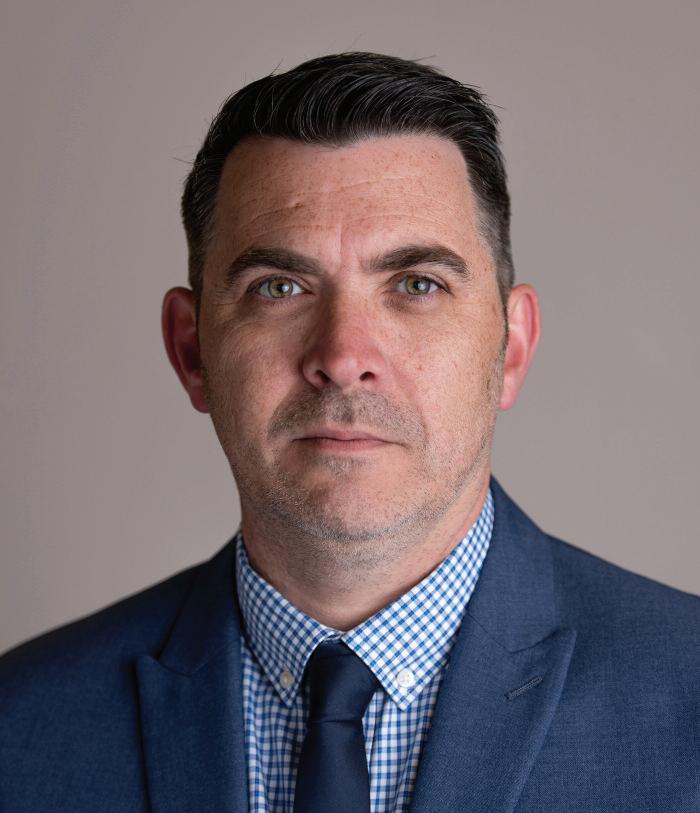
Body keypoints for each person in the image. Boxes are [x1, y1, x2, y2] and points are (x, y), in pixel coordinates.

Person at [0, 52, 698, 813]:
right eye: (279, 287)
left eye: (417, 284)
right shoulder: (21, 729)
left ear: (511, 348)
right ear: (193, 351)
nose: (342, 356)